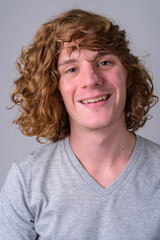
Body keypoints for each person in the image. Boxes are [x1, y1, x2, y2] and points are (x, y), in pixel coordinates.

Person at [0, 8, 160, 240]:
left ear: (128, 75)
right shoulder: (26, 179)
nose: (91, 79)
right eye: (71, 69)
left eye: (104, 62)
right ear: (54, 88)